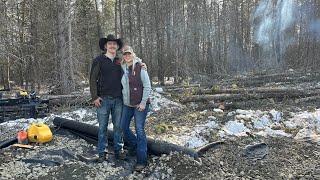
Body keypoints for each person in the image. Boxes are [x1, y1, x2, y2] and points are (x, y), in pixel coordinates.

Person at [89, 34, 126, 163]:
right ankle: (102, 152)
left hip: (118, 99)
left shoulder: (120, 61)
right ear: (105, 46)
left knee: (118, 127)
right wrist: (95, 97)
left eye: (114, 44)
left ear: (117, 46)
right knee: (102, 128)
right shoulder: (99, 60)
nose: (112, 46)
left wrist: (142, 65)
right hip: (103, 99)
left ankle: (118, 150)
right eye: (110, 43)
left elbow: (133, 67)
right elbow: (92, 79)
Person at [120, 46, 151, 171]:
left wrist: (143, 103)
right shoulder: (122, 68)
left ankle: (142, 160)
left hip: (140, 104)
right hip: (128, 104)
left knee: (139, 130)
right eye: (125, 54)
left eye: (129, 54)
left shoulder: (140, 68)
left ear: (133, 54)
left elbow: (148, 86)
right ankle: (134, 145)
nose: (127, 56)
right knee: (123, 126)